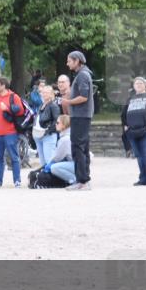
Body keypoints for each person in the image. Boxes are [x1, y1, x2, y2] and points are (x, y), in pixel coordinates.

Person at [60, 51, 93, 191]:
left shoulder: (82, 76)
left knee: (77, 148)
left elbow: (84, 97)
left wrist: (68, 101)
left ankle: (82, 181)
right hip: (81, 116)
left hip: (80, 116)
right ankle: (84, 179)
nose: (67, 63)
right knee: (83, 147)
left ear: (77, 61)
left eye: (69, 61)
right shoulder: (83, 74)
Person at [0, 77, 25, 188]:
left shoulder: (14, 97)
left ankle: (17, 181)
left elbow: (21, 111)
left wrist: (7, 108)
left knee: (14, 157)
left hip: (10, 132)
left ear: (3, 85)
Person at [33, 84, 61, 168]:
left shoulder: (53, 106)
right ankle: (44, 178)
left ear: (51, 94)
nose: (44, 94)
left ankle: (52, 179)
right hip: (38, 135)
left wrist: (47, 131)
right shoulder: (42, 105)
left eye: (46, 92)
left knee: (49, 159)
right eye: (43, 92)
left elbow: (57, 121)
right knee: (42, 161)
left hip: (48, 135)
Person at [44, 115, 75, 185]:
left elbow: (57, 157)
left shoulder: (64, 139)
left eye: (58, 123)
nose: (56, 124)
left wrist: (47, 164)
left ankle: (74, 180)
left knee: (54, 168)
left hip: (76, 165)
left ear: (64, 125)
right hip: (80, 165)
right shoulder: (71, 135)